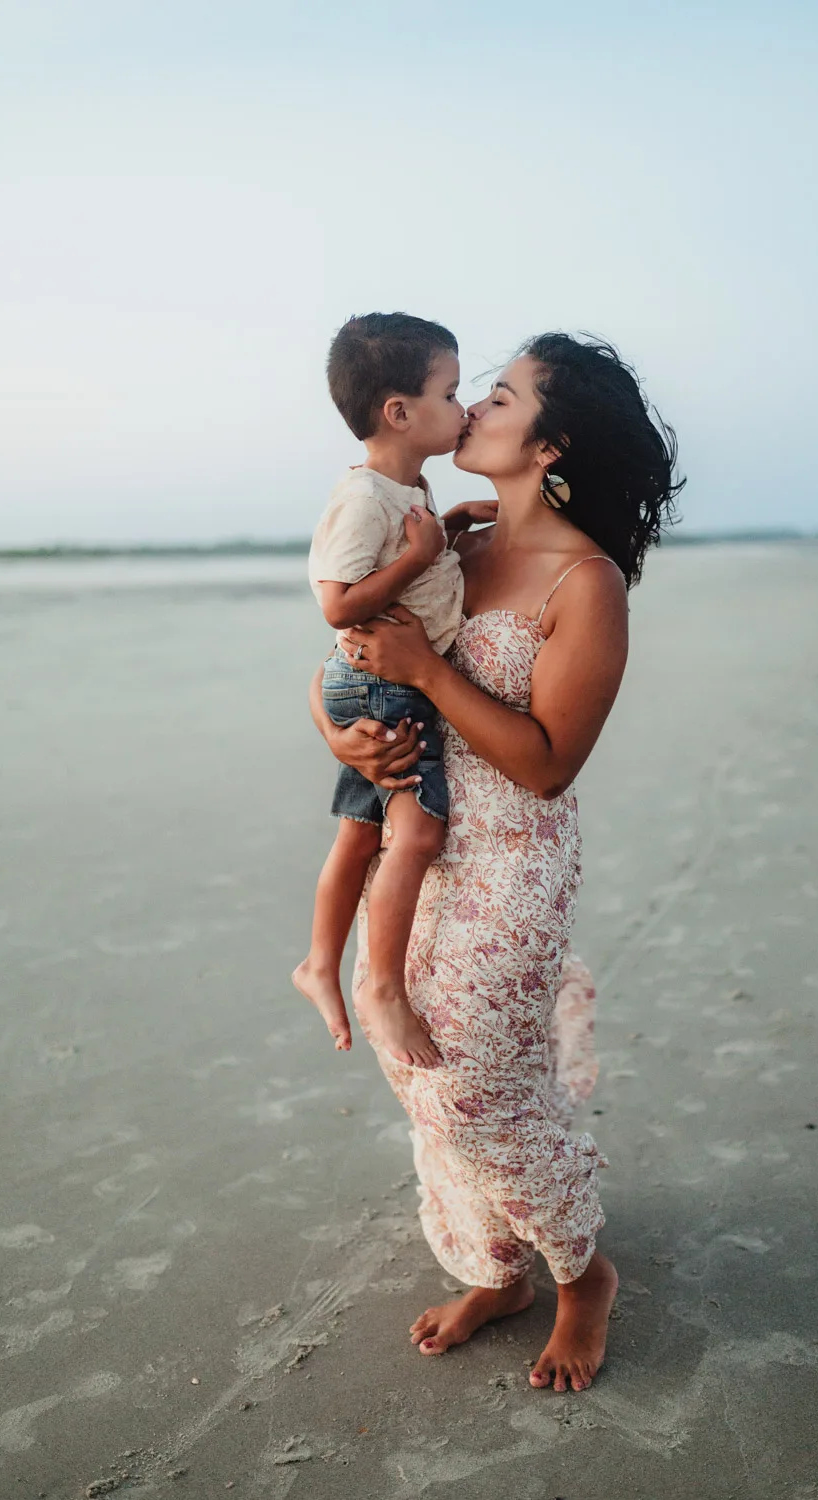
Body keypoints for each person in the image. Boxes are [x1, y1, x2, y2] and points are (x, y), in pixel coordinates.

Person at [310, 332, 683, 1392]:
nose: (472, 403)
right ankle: (495, 1265)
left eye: (504, 394)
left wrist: (426, 669)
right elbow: (342, 666)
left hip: (512, 859)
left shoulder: (586, 581)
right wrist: (339, 733)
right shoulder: (446, 547)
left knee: (471, 1085)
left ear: (549, 441)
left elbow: (548, 764)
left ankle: (580, 1275)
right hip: (415, 851)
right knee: (416, 1077)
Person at [293, 312, 495, 1068]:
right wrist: (419, 557)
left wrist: (441, 530)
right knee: (415, 833)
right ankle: (381, 984)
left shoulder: (406, 485)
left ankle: (318, 962)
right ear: (399, 412)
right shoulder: (366, 497)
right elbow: (339, 604)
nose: (465, 407)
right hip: (383, 686)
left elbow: (407, 552)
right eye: (452, 391)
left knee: (358, 832)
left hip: (378, 681)